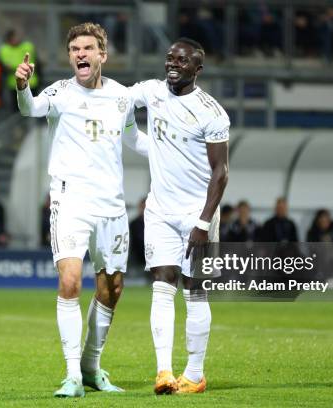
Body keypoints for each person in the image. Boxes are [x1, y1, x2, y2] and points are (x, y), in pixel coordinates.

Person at [15, 22, 149, 397]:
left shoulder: (122, 97)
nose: (80, 54)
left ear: (102, 55)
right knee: (70, 281)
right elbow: (30, 109)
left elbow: (134, 139)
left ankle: (91, 365)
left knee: (113, 288)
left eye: (88, 48)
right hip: (70, 201)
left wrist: (174, 151)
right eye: (74, 49)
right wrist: (22, 86)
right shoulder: (60, 92)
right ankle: (73, 373)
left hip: (111, 204)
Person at [129, 38, 230, 394]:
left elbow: (221, 173)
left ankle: (195, 374)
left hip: (196, 215)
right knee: (162, 283)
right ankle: (164, 373)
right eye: (170, 58)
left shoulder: (211, 112)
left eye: (181, 60)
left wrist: (203, 223)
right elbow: (118, 101)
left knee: (194, 290)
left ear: (197, 69)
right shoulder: (152, 92)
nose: (173, 64)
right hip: (159, 209)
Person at [0, 29, 39, 112]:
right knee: (18, 110)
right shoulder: (4, 49)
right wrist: (20, 66)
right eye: (13, 37)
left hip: (31, 83)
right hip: (15, 85)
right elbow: (7, 66)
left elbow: (31, 62)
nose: (16, 39)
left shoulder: (28, 46)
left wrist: (16, 66)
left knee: (33, 108)